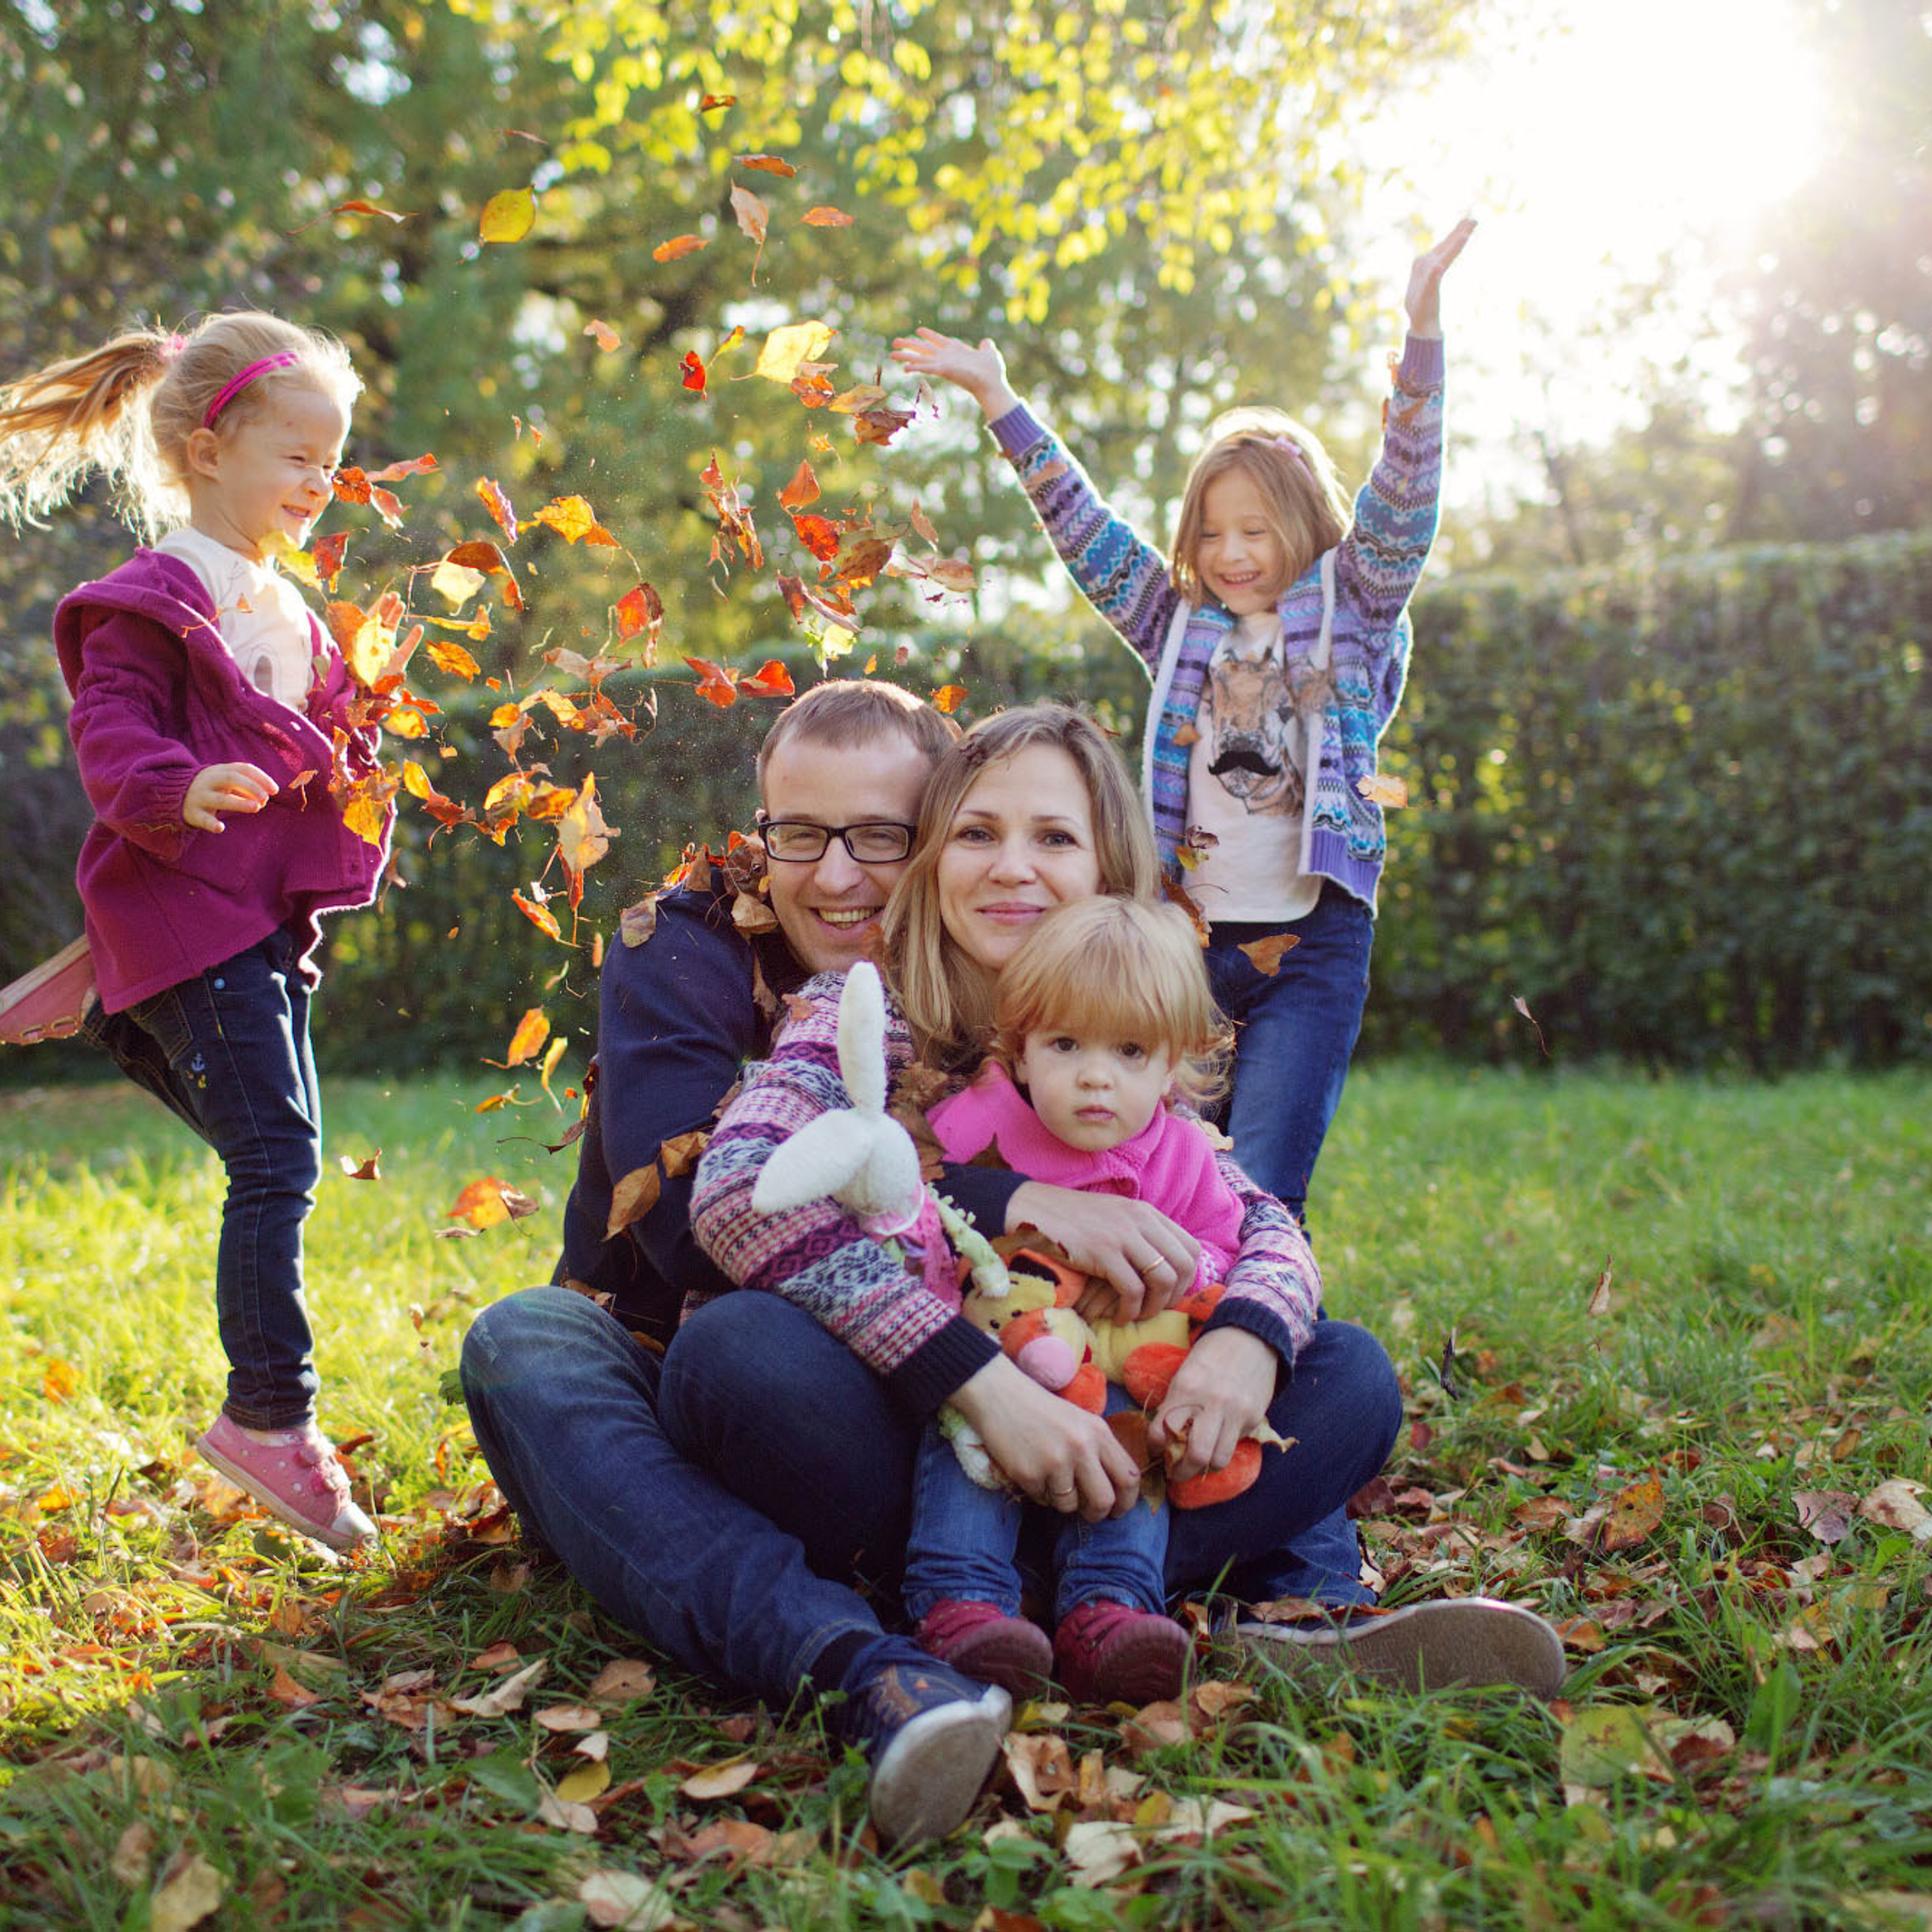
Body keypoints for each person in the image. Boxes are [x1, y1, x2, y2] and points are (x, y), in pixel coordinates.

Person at [691, 704, 1562, 1769]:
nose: (1012, 868)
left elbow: (1261, 1227)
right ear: (931, 861)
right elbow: (740, 1193)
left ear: (1108, 865)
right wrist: (992, 1316)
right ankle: (1098, 1602)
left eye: (1053, 838)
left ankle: (1099, 1607)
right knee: (734, 1354)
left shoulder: (1134, 1025)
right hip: (932, 1443)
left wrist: (1244, 1336)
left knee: (1348, 1374)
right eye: (976, 833)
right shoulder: (865, 1010)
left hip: (1120, 1446)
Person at [890, 219, 1475, 1603]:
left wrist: (1421, 335)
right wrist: (1002, 404)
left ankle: (1298, 1559)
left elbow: (1405, 494)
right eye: (1210, 532)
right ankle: (1105, 1454)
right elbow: (1089, 538)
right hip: (1190, 946)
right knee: (1139, 1185)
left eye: (1253, 529)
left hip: (1312, 944)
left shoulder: (1359, 609)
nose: (1227, 554)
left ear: (1302, 529)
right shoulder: (1180, 632)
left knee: (1256, 1203)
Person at [0, 312, 389, 1549]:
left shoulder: (295, 612)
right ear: (210, 450)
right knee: (278, 1160)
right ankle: (269, 1422)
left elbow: (318, 751)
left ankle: (117, 992)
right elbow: (113, 737)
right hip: (194, 914)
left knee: (280, 1154)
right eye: (298, 459)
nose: (320, 487)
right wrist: (180, 787)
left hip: (253, 933)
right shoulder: (154, 600)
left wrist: (362, 727)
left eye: (333, 465)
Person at [903, 894, 1254, 1706]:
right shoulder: (972, 1127)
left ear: (1171, 1065)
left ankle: (1111, 1610)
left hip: (1119, 1372)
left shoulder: (1177, 1155)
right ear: (1021, 1051)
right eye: (1066, 1044)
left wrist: (1176, 1267)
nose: (1096, 1075)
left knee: (1135, 1451)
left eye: (1129, 1051)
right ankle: (962, 1606)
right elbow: (918, 1214)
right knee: (967, 1455)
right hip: (997, 1370)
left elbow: (1227, 1247)